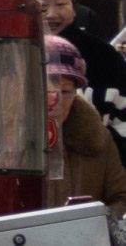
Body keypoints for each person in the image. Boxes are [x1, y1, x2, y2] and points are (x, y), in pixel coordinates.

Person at [26, 0, 126, 161]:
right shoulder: (17, 50)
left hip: (96, 163)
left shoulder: (104, 55)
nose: (52, 14)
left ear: (74, 6)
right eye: (43, 6)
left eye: (61, 4)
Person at [46, 36, 126, 215]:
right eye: (45, 90)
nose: (55, 101)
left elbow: (121, 198)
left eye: (65, 91)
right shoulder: (1, 143)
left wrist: (92, 227)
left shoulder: (97, 137)